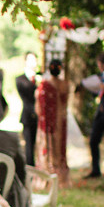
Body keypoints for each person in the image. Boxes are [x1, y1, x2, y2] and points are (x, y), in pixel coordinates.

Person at [35, 58, 70, 186]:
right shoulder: (65, 84)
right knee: (59, 148)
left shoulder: (44, 86)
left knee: (48, 146)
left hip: (48, 121)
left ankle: (46, 177)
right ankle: (60, 178)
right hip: (61, 120)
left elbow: (38, 106)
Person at [16, 52, 40, 166]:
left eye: (34, 59)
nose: (33, 62)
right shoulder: (20, 79)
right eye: (30, 60)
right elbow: (26, 98)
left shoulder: (41, 77)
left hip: (41, 116)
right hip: (28, 115)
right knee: (29, 145)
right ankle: (30, 167)